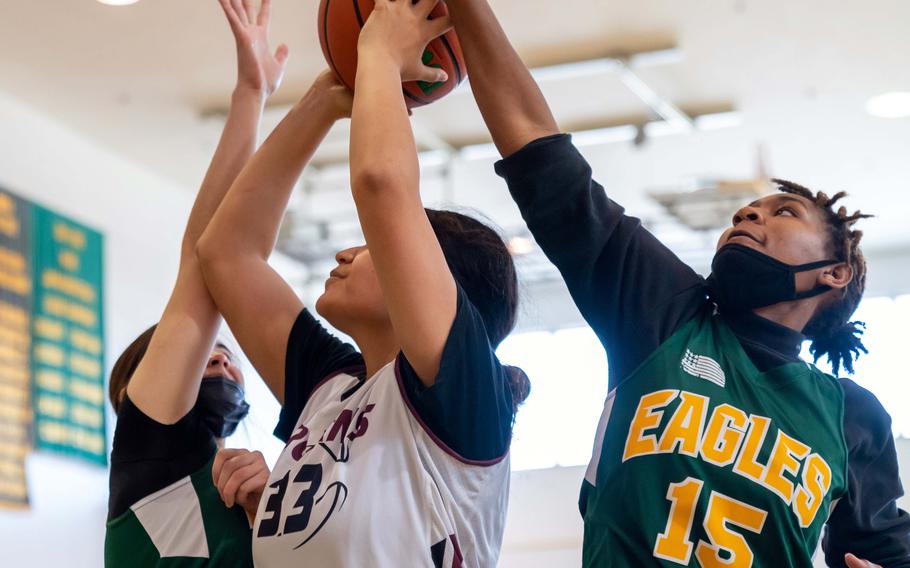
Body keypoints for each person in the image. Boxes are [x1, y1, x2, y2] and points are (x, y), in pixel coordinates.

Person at [442, 0, 910, 566]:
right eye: (743, 212)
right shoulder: (665, 312)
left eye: (782, 212)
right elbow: (539, 155)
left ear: (835, 273)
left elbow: (887, 551)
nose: (746, 216)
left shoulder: (851, 416)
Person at [195, 1, 528, 565]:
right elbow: (225, 253)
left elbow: (382, 184)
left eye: (375, 244)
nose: (347, 249)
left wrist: (376, 51)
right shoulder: (329, 387)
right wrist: (324, 101)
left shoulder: (463, 389)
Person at [103, 1, 287, 565]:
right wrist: (249, 98)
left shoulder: (262, 495)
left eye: (227, 357)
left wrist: (270, 514)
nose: (221, 360)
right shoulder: (149, 458)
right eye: (209, 350)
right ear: (132, 391)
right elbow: (207, 262)